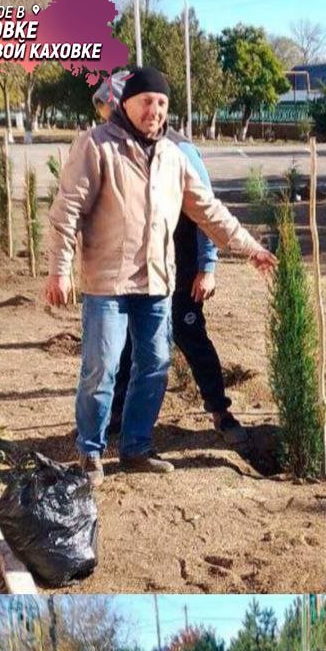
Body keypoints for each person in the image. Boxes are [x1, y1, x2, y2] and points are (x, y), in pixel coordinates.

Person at [44, 67, 276, 484]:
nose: (155, 110)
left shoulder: (173, 156)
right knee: (102, 367)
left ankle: (136, 448)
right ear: (126, 103)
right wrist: (59, 269)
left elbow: (209, 211)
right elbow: (66, 213)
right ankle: (91, 452)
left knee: (154, 366)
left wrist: (251, 248)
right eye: (147, 101)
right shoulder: (96, 147)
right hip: (108, 284)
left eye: (163, 102)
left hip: (156, 284)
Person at [80, 76, 247, 448]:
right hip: (140, 267)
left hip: (182, 262)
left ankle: (221, 411)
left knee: (190, 336)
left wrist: (208, 265)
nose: (108, 119)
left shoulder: (179, 150)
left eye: (109, 109)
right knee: (125, 347)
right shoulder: (118, 145)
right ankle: (119, 420)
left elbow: (206, 211)